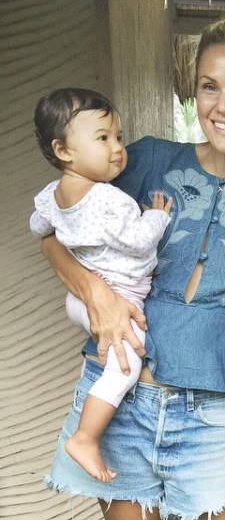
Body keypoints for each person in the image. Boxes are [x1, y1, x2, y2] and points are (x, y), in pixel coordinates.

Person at [39, 2, 225, 520]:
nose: (223, 105)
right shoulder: (146, 161)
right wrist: (96, 293)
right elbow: (53, 233)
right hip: (119, 403)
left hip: (211, 415)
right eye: (209, 86)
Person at [30, 88, 173, 483]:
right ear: (63, 150)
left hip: (80, 299)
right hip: (120, 299)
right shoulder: (110, 200)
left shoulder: (52, 196)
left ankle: (87, 434)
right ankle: (85, 437)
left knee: (113, 363)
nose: (117, 148)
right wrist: (157, 217)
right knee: (125, 369)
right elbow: (139, 240)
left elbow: (38, 228)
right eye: (103, 138)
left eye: (118, 137)